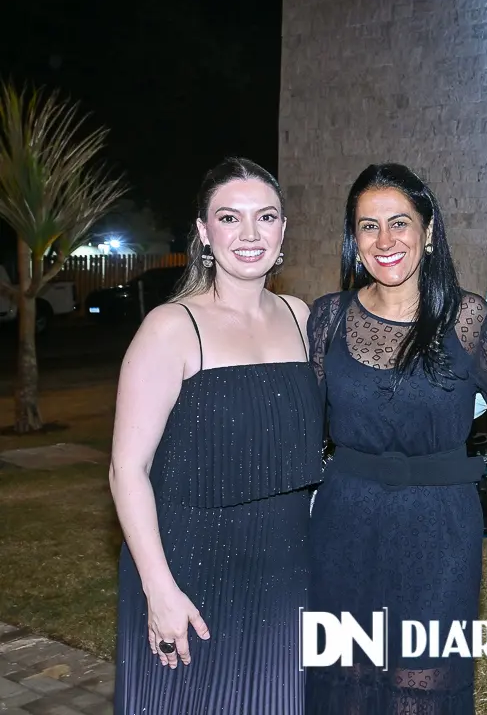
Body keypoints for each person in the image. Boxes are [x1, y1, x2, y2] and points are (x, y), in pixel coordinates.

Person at [304, 163, 487, 714]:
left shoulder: (471, 320)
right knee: (344, 682)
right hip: (344, 525)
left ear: (428, 231)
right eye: (368, 226)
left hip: (439, 532)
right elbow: (301, 430)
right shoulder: (327, 318)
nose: (384, 240)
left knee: (421, 687)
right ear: (354, 240)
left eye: (399, 222)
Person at [110, 157, 323, 714]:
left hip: (287, 565)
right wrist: (159, 588)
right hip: (190, 568)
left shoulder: (301, 318)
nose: (250, 234)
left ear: (283, 229)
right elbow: (127, 469)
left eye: (265, 217)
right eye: (230, 218)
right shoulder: (170, 327)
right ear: (204, 232)